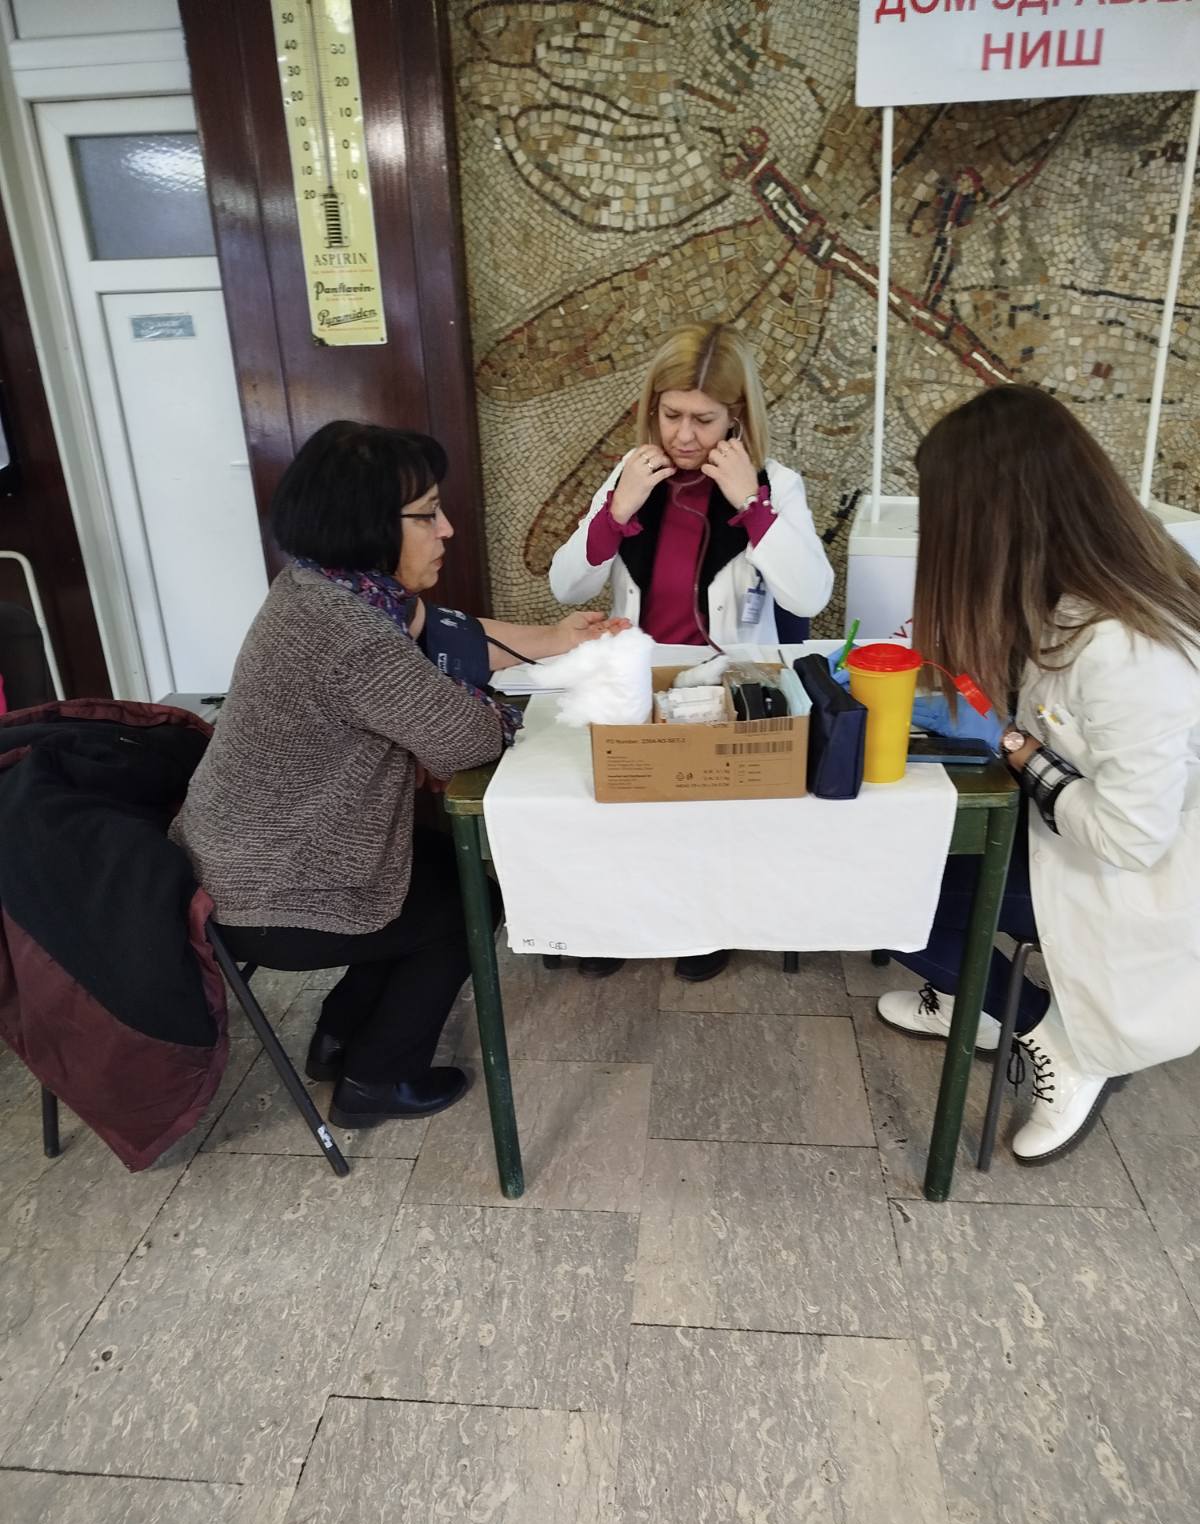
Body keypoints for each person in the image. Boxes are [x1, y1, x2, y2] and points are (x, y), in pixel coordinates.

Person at [172, 421, 619, 1129]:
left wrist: (559, 639)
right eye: (427, 514)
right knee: (468, 903)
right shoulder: (353, 635)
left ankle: (338, 1038)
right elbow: (467, 738)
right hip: (271, 894)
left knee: (434, 870)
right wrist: (493, 707)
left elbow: (441, 632)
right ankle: (375, 1082)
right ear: (370, 522)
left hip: (234, 862)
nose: (446, 529)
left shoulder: (320, 589)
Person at [877, 384, 1200, 1164]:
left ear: (993, 520)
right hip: (1070, 834)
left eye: (942, 517)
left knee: (892, 896)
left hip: (1137, 872)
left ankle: (1056, 1040)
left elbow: (1129, 838)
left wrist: (1017, 747)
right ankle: (985, 1010)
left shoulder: (1128, 645)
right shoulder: (1076, 590)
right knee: (896, 866)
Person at [550, 320, 834, 981]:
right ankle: (618, 925)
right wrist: (615, 513)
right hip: (639, 679)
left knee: (708, 817)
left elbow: (810, 594)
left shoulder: (774, 484)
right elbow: (567, 584)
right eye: (671, 415)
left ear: (737, 417)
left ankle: (705, 925)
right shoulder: (632, 474)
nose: (683, 436)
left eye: (704, 420)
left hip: (726, 685)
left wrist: (752, 506)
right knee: (627, 810)